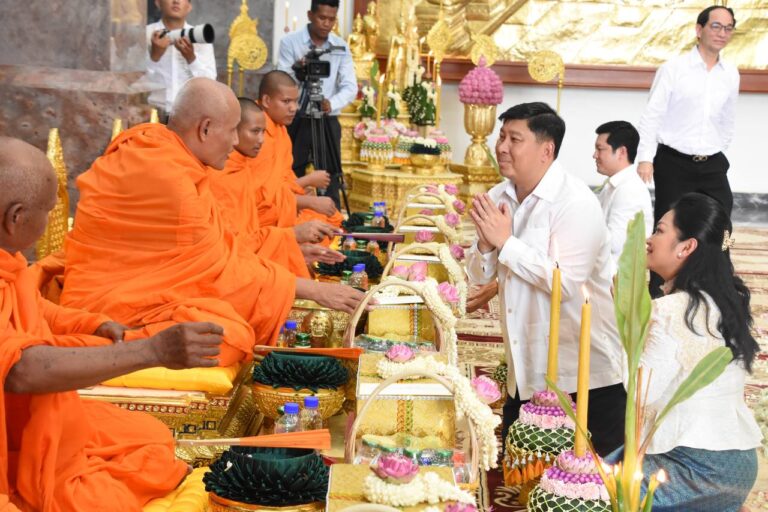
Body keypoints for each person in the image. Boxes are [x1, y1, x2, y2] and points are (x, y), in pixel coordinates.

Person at [60, 78, 365, 367]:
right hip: (112, 305)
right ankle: (122, 347)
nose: (235, 142)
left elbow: (218, 250)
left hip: (143, 287)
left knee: (229, 328)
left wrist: (286, 246)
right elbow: (216, 267)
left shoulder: (172, 157)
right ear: (205, 128)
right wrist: (312, 290)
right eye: (232, 131)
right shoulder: (169, 176)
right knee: (230, 337)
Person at [0, 136, 225, 511]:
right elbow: (21, 370)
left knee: (149, 436)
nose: (54, 220)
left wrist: (91, 323)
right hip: (12, 433)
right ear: (16, 218)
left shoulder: (9, 259)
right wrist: (152, 350)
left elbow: (35, 308)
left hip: (32, 418)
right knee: (102, 497)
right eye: (49, 211)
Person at [466, 102, 625, 456]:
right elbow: (478, 274)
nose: (501, 147)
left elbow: (565, 284)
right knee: (519, 473)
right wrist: (485, 244)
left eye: (514, 139)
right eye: (501, 137)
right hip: (524, 369)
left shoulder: (575, 202)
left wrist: (505, 242)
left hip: (582, 375)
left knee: (590, 480)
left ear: (546, 150)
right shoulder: (499, 195)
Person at [614, 192, 762, 511]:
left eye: (659, 230)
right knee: (606, 463)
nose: (649, 239)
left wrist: (626, 322)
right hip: (739, 464)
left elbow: (639, 391)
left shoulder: (670, 310)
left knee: (582, 489)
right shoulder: (725, 302)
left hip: (697, 467)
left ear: (686, 247)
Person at [210, 98, 346, 277]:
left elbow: (274, 189)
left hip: (259, 240)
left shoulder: (248, 159)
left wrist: (292, 243)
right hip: (237, 260)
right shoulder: (220, 172)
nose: (261, 140)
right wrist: (292, 234)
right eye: (255, 132)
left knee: (324, 228)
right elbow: (231, 245)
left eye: (263, 132)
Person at [636, 5, 739, 219]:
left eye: (728, 28)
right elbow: (652, 116)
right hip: (674, 162)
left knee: (721, 220)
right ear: (699, 30)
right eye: (716, 26)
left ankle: (721, 246)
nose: (722, 33)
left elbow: (727, 118)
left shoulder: (730, 73)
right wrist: (645, 158)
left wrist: (717, 147)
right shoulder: (673, 69)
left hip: (712, 163)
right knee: (669, 222)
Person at [278, 0, 357, 209]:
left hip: (327, 118)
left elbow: (350, 86)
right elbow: (281, 81)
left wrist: (331, 103)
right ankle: (292, 213)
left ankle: (334, 217)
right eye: (322, 18)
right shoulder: (290, 42)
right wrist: (298, 71)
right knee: (292, 168)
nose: (327, 24)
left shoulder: (340, 46)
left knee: (331, 173)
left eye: (332, 19)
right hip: (298, 117)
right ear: (310, 15)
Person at [252, 71, 344, 243]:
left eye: (295, 101)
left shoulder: (280, 130)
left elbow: (284, 180)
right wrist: (307, 193)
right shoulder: (257, 135)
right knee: (323, 227)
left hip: (283, 205)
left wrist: (302, 191)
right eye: (286, 101)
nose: (294, 108)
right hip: (263, 218)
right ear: (266, 101)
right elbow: (262, 197)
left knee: (332, 219)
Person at [593, 121, 653, 276]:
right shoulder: (613, 185)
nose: (594, 155)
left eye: (600, 149)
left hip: (618, 281)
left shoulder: (630, 190)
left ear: (621, 152)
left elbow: (614, 244)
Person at [146, 0, 217, 117]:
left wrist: (191, 58)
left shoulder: (200, 36)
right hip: (152, 113)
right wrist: (155, 56)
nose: (176, 1)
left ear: (189, 7)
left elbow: (210, 83)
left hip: (190, 114)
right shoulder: (146, 34)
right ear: (158, 3)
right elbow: (133, 82)